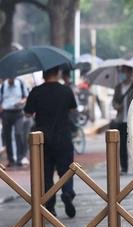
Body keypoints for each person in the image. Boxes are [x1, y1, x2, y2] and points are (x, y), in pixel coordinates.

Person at [24, 65, 77, 218]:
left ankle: (50, 206)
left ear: (43, 74)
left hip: (42, 140)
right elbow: (72, 109)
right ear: (58, 72)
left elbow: (28, 113)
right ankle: (67, 193)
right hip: (63, 137)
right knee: (66, 171)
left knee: (46, 174)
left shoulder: (36, 91)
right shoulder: (66, 90)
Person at [112, 66, 133, 174]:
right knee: (122, 145)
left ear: (130, 73)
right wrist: (116, 106)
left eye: (125, 72)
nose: (123, 74)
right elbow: (114, 101)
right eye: (121, 72)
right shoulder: (118, 87)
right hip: (121, 120)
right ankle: (124, 168)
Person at [0, 76, 29, 168]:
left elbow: (26, 97)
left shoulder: (20, 83)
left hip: (18, 113)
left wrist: (21, 102)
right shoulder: (3, 86)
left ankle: (20, 158)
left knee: (18, 133)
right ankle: (11, 159)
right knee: (7, 136)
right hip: (6, 113)